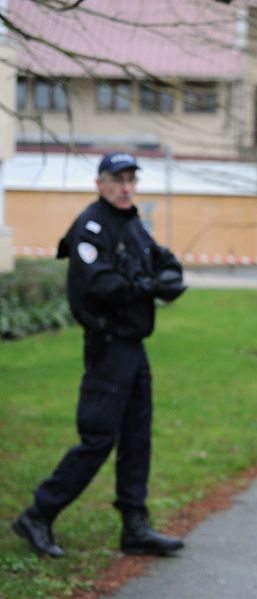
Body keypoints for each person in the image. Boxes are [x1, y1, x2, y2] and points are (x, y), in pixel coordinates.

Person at [12, 152, 188, 558]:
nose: (126, 188)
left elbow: (160, 258)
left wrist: (169, 274)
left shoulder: (132, 223)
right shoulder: (90, 227)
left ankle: (134, 526)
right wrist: (149, 286)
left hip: (133, 347)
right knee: (97, 439)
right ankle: (39, 514)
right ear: (100, 183)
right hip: (108, 348)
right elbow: (100, 285)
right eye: (118, 179)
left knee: (137, 437)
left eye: (131, 180)